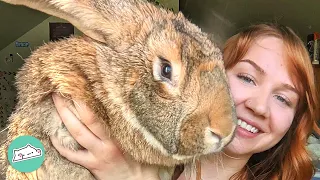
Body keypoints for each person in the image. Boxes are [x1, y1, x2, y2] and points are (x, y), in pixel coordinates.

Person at [50, 23, 320, 180]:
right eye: (247, 78)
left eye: (283, 98)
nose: (259, 106)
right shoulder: (126, 147)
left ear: (295, 121)